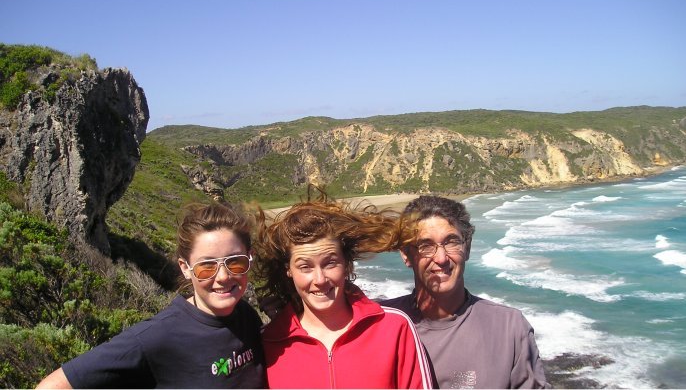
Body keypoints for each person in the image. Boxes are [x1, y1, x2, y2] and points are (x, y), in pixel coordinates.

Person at [37, 202, 265, 389]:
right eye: (206, 267)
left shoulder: (246, 315)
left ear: (250, 258)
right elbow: (53, 386)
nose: (223, 276)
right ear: (185, 268)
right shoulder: (157, 336)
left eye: (236, 262)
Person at [255, 195, 433, 389]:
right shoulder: (268, 341)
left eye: (330, 263)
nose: (320, 279)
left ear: (347, 265)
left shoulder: (394, 327)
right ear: (288, 270)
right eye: (305, 267)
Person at [381, 195, 549, 389]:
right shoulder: (381, 323)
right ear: (406, 255)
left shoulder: (510, 327)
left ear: (467, 248)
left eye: (452, 242)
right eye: (425, 246)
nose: (441, 258)